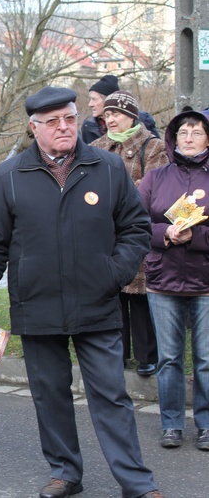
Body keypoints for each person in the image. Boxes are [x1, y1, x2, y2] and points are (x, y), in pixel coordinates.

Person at [0, 87, 161, 498]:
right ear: (34, 127)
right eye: (53, 121)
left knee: (111, 395)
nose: (64, 127)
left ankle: (137, 483)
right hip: (36, 303)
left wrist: (115, 272)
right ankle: (65, 473)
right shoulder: (10, 174)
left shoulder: (107, 167)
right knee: (50, 395)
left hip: (97, 300)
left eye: (70, 119)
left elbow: (136, 227)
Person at [138, 109, 209, 452]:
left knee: (207, 359)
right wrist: (166, 233)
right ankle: (171, 424)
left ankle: (207, 425)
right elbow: (135, 224)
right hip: (162, 280)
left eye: (196, 132)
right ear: (173, 138)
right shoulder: (155, 177)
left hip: (205, 280)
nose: (189, 138)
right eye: (183, 133)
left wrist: (193, 238)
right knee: (169, 358)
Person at [89, 91, 169, 377]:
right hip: (104, 232)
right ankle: (118, 354)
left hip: (137, 231)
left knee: (141, 296)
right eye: (107, 114)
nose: (110, 119)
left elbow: (156, 192)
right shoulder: (96, 147)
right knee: (113, 294)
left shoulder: (154, 147)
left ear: (132, 116)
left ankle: (147, 356)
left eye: (117, 114)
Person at [81, 75, 160, 144]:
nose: (90, 104)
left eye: (94, 99)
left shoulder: (143, 120)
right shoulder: (88, 126)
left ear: (108, 100)